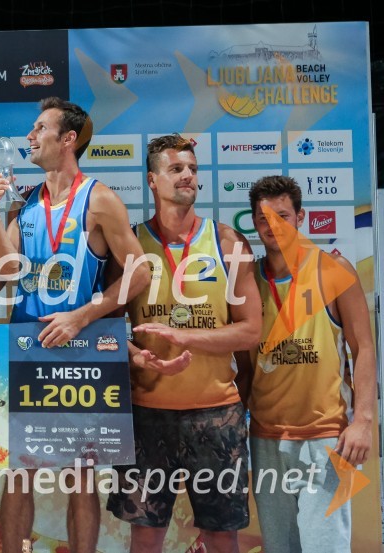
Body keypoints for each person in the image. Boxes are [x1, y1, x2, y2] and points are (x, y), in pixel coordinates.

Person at [0, 97, 150, 553]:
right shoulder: (29, 199)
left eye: (40, 129)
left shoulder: (99, 198)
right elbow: (7, 271)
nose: (30, 138)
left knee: (82, 477)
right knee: (20, 472)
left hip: (80, 350)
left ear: (68, 139)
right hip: (27, 346)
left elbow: (140, 272)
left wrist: (83, 315)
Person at [105, 133, 262, 553]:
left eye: (192, 168)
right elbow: (105, 331)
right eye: (176, 169)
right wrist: (137, 355)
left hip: (216, 416)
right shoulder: (131, 246)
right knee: (145, 533)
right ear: (152, 181)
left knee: (221, 534)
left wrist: (184, 336)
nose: (188, 175)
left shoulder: (228, 243)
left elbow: (250, 331)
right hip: (145, 415)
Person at [236, 175, 375, 553]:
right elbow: (244, 366)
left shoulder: (333, 270)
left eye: (282, 216)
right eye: (263, 219)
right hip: (265, 439)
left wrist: (363, 420)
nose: (272, 227)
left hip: (327, 439)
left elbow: (364, 349)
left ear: (300, 217)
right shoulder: (249, 281)